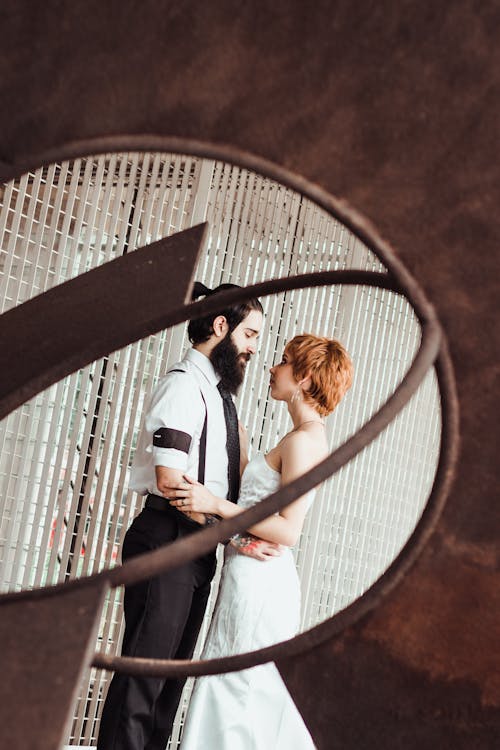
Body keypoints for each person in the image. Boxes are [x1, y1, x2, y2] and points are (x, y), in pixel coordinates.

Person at [97, 281, 279, 750]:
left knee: (167, 688)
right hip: (167, 539)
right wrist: (228, 529)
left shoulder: (219, 399)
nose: (255, 349)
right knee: (144, 680)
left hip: (195, 548)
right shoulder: (183, 385)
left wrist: (231, 536)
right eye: (251, 335)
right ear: (222, 326)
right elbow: (169, 479)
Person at [169, 333, 354, 750]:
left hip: (263, 585)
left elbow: (288, 530)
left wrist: (214, 502)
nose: (273, 368)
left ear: (305, 379)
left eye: (285, 362)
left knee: (238, 690)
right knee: (230, 683)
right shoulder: (296, 437)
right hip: (247, 574)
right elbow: (261, 501)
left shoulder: (305, 442)